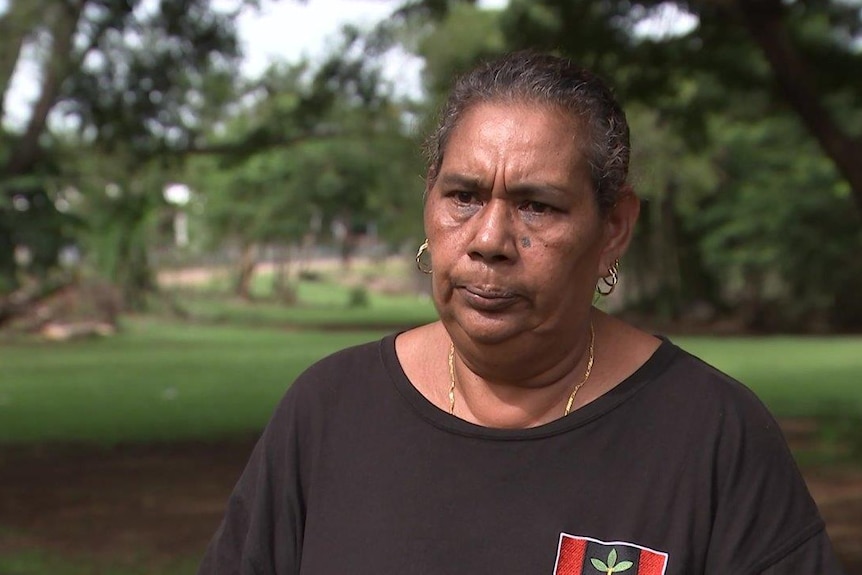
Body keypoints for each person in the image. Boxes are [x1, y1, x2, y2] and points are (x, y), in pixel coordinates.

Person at [197, 51, 845, 574]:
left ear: (614, 227)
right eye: (464, 196)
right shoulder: (328, 411)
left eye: (537, 205)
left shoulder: (712, 434)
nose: (488, 240)